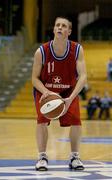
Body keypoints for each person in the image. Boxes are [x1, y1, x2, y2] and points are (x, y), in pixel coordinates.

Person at [32, 17, 87, 171]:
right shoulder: (41, 51)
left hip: (69, 90)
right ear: (54, 29)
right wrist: (46, 92)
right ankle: (42, 156)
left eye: (64, 26)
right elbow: (34, 79)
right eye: (57, 25)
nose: (60, 28)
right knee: (41, 120)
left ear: (69, 31)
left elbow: (83, 76)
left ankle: (75, 156)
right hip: (45, 89)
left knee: (76, 121)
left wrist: (71, 98)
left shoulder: (77, 49)